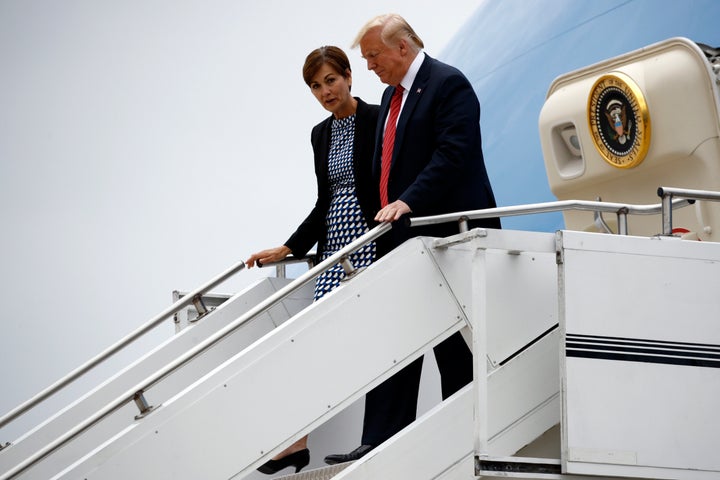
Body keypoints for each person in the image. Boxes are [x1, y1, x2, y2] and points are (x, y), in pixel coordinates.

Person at [323, 13, 501, 465]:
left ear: (402, 47)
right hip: (398, 236)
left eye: (373, 56)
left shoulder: (447, 83)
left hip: (444, 233)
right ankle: (380, 437)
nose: (369, 67)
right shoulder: (390, 96)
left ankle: (460, 433)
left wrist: (408, 201)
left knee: (452, 346)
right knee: (396, 338)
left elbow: (453, 153)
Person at [244, 45, 380, 475]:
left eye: (331, 81)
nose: (325, 91)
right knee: (314, 337)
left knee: (354, 339)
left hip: (370, 237)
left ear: (349, 77)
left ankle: (311, 442)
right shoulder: (319, 134)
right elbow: (325, 200)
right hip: (332, 244)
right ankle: (298, 442)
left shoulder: (379, 119)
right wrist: (289, 247)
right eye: (315, 86)